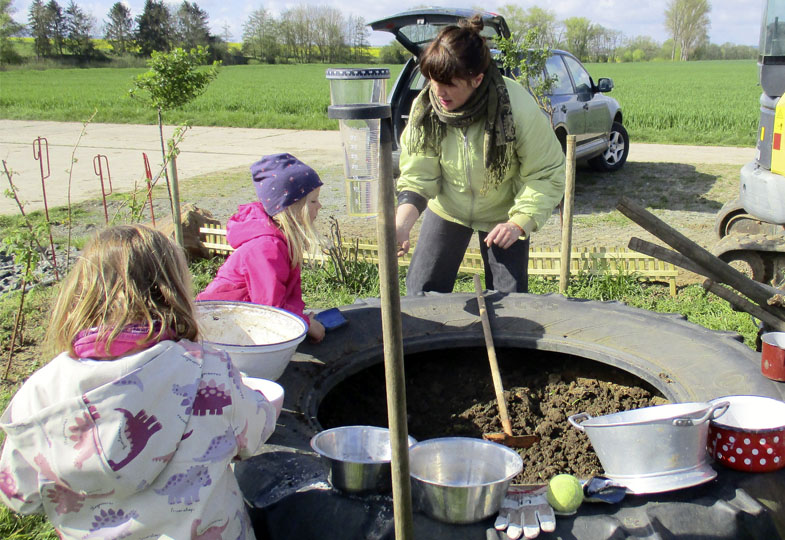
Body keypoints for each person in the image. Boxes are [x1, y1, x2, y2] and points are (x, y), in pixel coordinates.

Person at [0, 224, 277, 539]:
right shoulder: (207, 369)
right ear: (172, 289)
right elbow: (254, 431)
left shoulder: (39, 392)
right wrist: (257, 397)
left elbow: (19, 495)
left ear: (80, 294)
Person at [395, 15, 566, 294]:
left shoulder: (517, 108)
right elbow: (417, 174)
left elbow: (546, 173)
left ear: (477, 79)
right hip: (448, 208)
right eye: (433, 80)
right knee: (421, 294)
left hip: (504, 214)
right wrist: (401, 225)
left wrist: (519, 222)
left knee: (510, 302)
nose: (438, 92)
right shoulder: (426, 107)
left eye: (449, 83)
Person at [197, 152, 326, 343]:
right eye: (313, 201)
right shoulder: (266, 248)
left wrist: (300, 316)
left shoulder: (277, 241)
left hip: (236, 323)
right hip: (216, 329)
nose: (320, 206)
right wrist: (307, 324)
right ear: (291, 208)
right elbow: (270, 311)